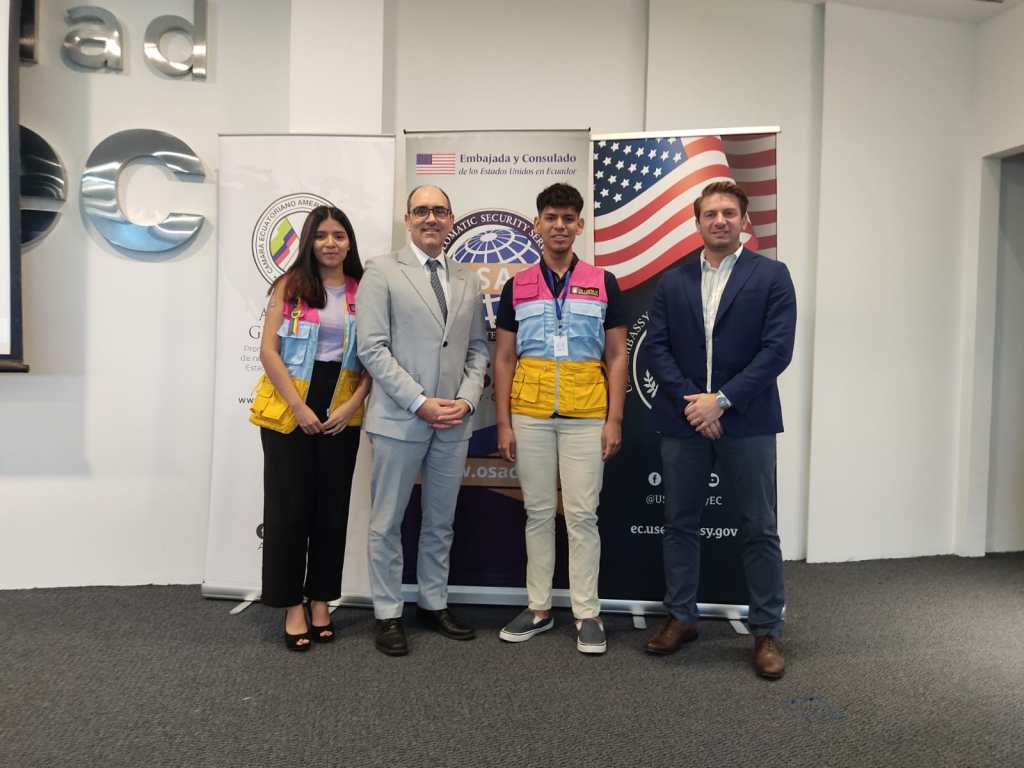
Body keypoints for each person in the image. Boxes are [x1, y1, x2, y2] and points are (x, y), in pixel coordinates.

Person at [643, 181, 796, 678]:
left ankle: (766, 630)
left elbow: (777, 350)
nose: (720, 220)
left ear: (744, 220)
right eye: (711, 213)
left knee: (759, 526)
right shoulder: (673, 280)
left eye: (729, 212)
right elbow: (657, 347)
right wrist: (696, 404)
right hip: (684, 419)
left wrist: (721, 402)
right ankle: (681, 618)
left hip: (748, 420)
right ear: (698, 222)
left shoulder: (771, 276)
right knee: (679, 523)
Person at [493, 183, 627, 654]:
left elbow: (617, 356)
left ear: (580, 225)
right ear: (537, 223)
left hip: (586, 414)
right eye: (551, 217)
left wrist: (614, 419)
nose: (559, 226)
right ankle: (539, 608)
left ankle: (587, 612)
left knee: (583, 515)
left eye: (568, 218)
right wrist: (504, 423)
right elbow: (503, 358)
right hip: (529, 414)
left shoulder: (603, 281)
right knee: (537, 513)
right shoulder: (517, 285)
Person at [356, 185, 489, 657]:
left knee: (440, 521)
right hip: (400, 418)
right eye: (421, 211)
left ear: (451, 218)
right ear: (407, 218)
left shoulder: (467, 278)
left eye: (439, 210)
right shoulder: (380, 271)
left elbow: (478, 348)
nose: (431, 218)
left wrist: (466, 401)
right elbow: (372, 348)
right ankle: (388, 612)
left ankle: (434, 603)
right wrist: (419, 401)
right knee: (386, 522)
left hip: (453, 420)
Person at [255, 205, 371, 651]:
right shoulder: (289, 285)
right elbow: (269, 351)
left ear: (349, 241)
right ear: (309, 241)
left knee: (331, 510)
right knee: (288, 511)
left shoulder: (364, 289)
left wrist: (354, 404)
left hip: (342, 407)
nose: (330, 243)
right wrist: (298, 407)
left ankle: (321, 600)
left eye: (338, 235)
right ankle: (292, 606)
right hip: (290, 407)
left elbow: (375, 356)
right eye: (321, 235)